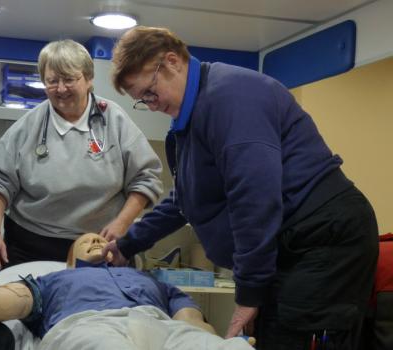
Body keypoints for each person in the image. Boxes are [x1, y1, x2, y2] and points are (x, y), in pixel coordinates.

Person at [102, 26, 379, 350]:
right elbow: (187, 198)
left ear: (173, 62)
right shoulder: (194, 117)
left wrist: (248, 292)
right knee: (269, 335)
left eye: (149, 92)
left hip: (325, 236)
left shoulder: (229, 97)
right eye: (141, 101)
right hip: (293, 240)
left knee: (287, 337)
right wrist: (129, 243)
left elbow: (255, 199)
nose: (150, 105)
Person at [0, 39, 162, 269]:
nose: (61, 89)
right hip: (31, 244)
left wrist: (122, 223)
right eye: (52, 81)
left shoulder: (114, 120)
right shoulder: (29, 125)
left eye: (69, 79)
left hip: (100, 244)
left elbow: (146, 177)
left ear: (88, 79)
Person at [0, 233, 254, 350]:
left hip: (158, 326)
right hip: (87, 327)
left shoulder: (151, 281)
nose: (96, 239)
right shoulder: (57, 280)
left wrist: (218, 343)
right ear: (69, 258)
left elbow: (190, 322)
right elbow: (15, 300)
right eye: (87, 239)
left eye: (100, 238)